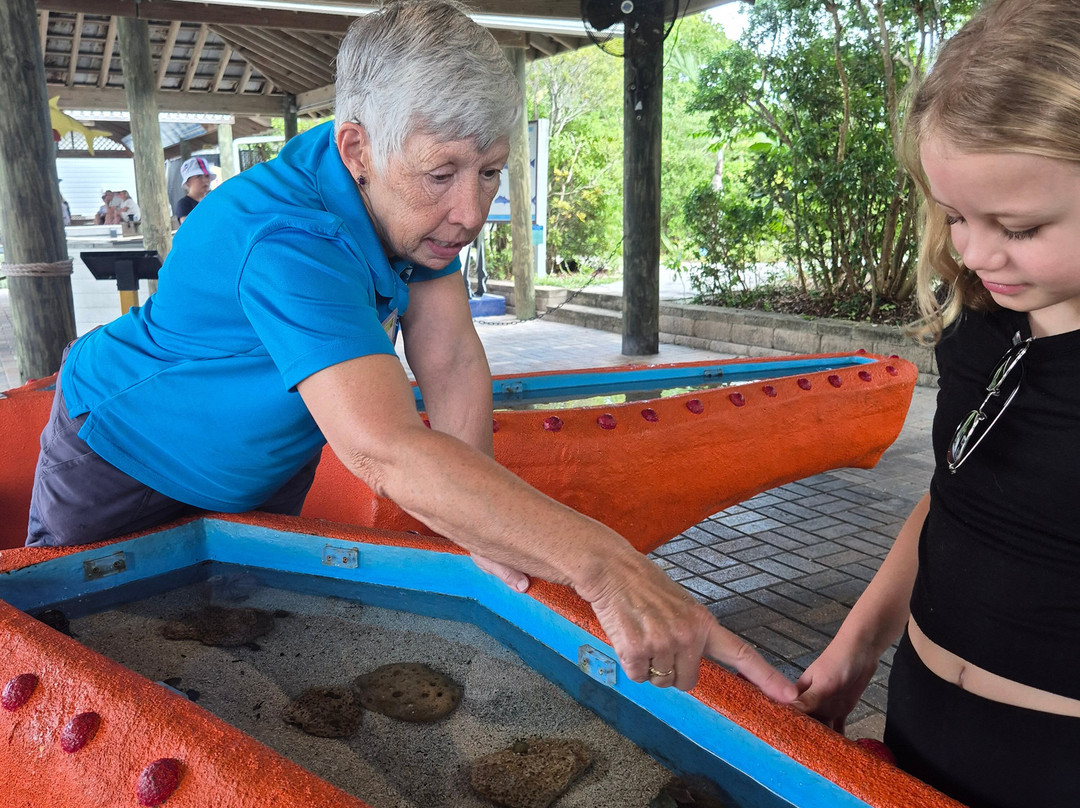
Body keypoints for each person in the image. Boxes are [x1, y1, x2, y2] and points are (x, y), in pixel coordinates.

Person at [25, 0, 796, 704]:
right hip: (121, 451)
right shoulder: (290, 237)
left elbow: (453, 362)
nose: (470, 212)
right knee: (76, 660)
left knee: (237, 648)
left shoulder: (409, 208)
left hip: (251, 470)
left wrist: (480, 529)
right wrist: (607, 566)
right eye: (443, 173)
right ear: (356, 145)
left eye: (489, 170)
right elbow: (385, 448)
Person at [793, 1, 1080, 805]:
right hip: (916, 721)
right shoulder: (983, 314)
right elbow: (958, 492)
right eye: (956, 217)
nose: (977, 253)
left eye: (1018, 227)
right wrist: (859, 645)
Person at [174, 157, 214, 224]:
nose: (205, 180)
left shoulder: (211, 201)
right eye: (199, 176)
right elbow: (189, 228)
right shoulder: (184, 204)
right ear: (188, 182)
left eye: (207, 176)